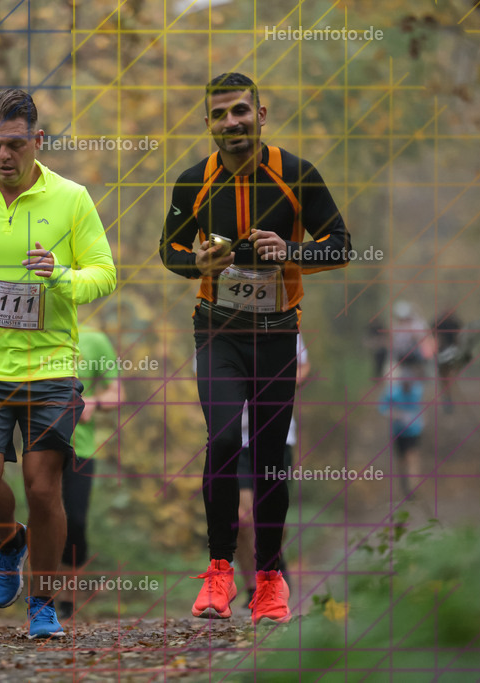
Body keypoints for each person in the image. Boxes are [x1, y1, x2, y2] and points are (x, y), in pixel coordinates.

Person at [159, 72, 351, 625]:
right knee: (222, 439)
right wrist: (194, 263)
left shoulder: (296, 175)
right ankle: (218, 571)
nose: (231, 123)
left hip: (275, 333)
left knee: (269, 459)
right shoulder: (193, 181)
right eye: (219, 115)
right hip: (217, 331)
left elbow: (341, 245)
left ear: (261, 115)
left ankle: (269, 580)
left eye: (240, 111)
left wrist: (290, 251)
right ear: (208, 124)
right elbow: (168, 250)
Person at [0, 89, 116, 639]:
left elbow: (104, 273)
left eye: (13, 144)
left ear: (37, 140)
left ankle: (43, 603)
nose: (2, 156)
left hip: (52, 365)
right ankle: (10, 539)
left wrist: (59, 273)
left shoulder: (72, 198)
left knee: (43, 486)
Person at [235, 332, 309, 607]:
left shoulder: (280, 322)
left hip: (276, 434)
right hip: (235, 438)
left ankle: (275, 564)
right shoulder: (212, 326)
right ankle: (254, 587)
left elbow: (302, 367)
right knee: (242, 517)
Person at [56, 326, 122, 622]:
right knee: (44, 515)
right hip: (40, 443)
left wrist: (93, 402)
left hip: (81, 448)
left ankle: (67, 598)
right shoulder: (35, 333)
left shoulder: (95, 340)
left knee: (76, 521)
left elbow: (116, 393)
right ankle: (41, 594)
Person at [379, 360, 426, 499]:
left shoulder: (417, 390)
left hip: (414, 430)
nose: (408, 387)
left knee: (412, 457)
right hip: (398, 431)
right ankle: (405, 486)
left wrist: (422, 419)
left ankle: (413, 487)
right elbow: (383, 409)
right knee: (402, 460)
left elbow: (421, 406)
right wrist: (397, 415)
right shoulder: (392, 393)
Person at [434, 309, 468, 413]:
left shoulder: (453, 322)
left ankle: (448, 398)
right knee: (445, 377)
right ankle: (447, 398)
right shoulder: (443, 322)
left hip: (449, 352)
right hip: (444, 352)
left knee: (446, 376)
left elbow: (460, 336)